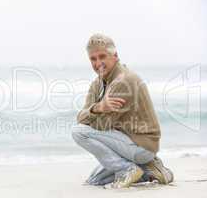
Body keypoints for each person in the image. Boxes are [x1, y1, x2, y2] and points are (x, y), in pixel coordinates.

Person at [72, 33, 173, 188]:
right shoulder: (97, 83)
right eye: (93, 59)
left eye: (102, 56)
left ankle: (127, 168)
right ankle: (152, 170)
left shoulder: (124, 81)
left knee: (78, 132)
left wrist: (93, 113)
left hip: (140, 145)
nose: (98, 63)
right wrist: (98, 107)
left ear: (115, 56)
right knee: (94, 181)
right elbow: (81, 117)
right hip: (124, 144)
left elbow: (101, 125)